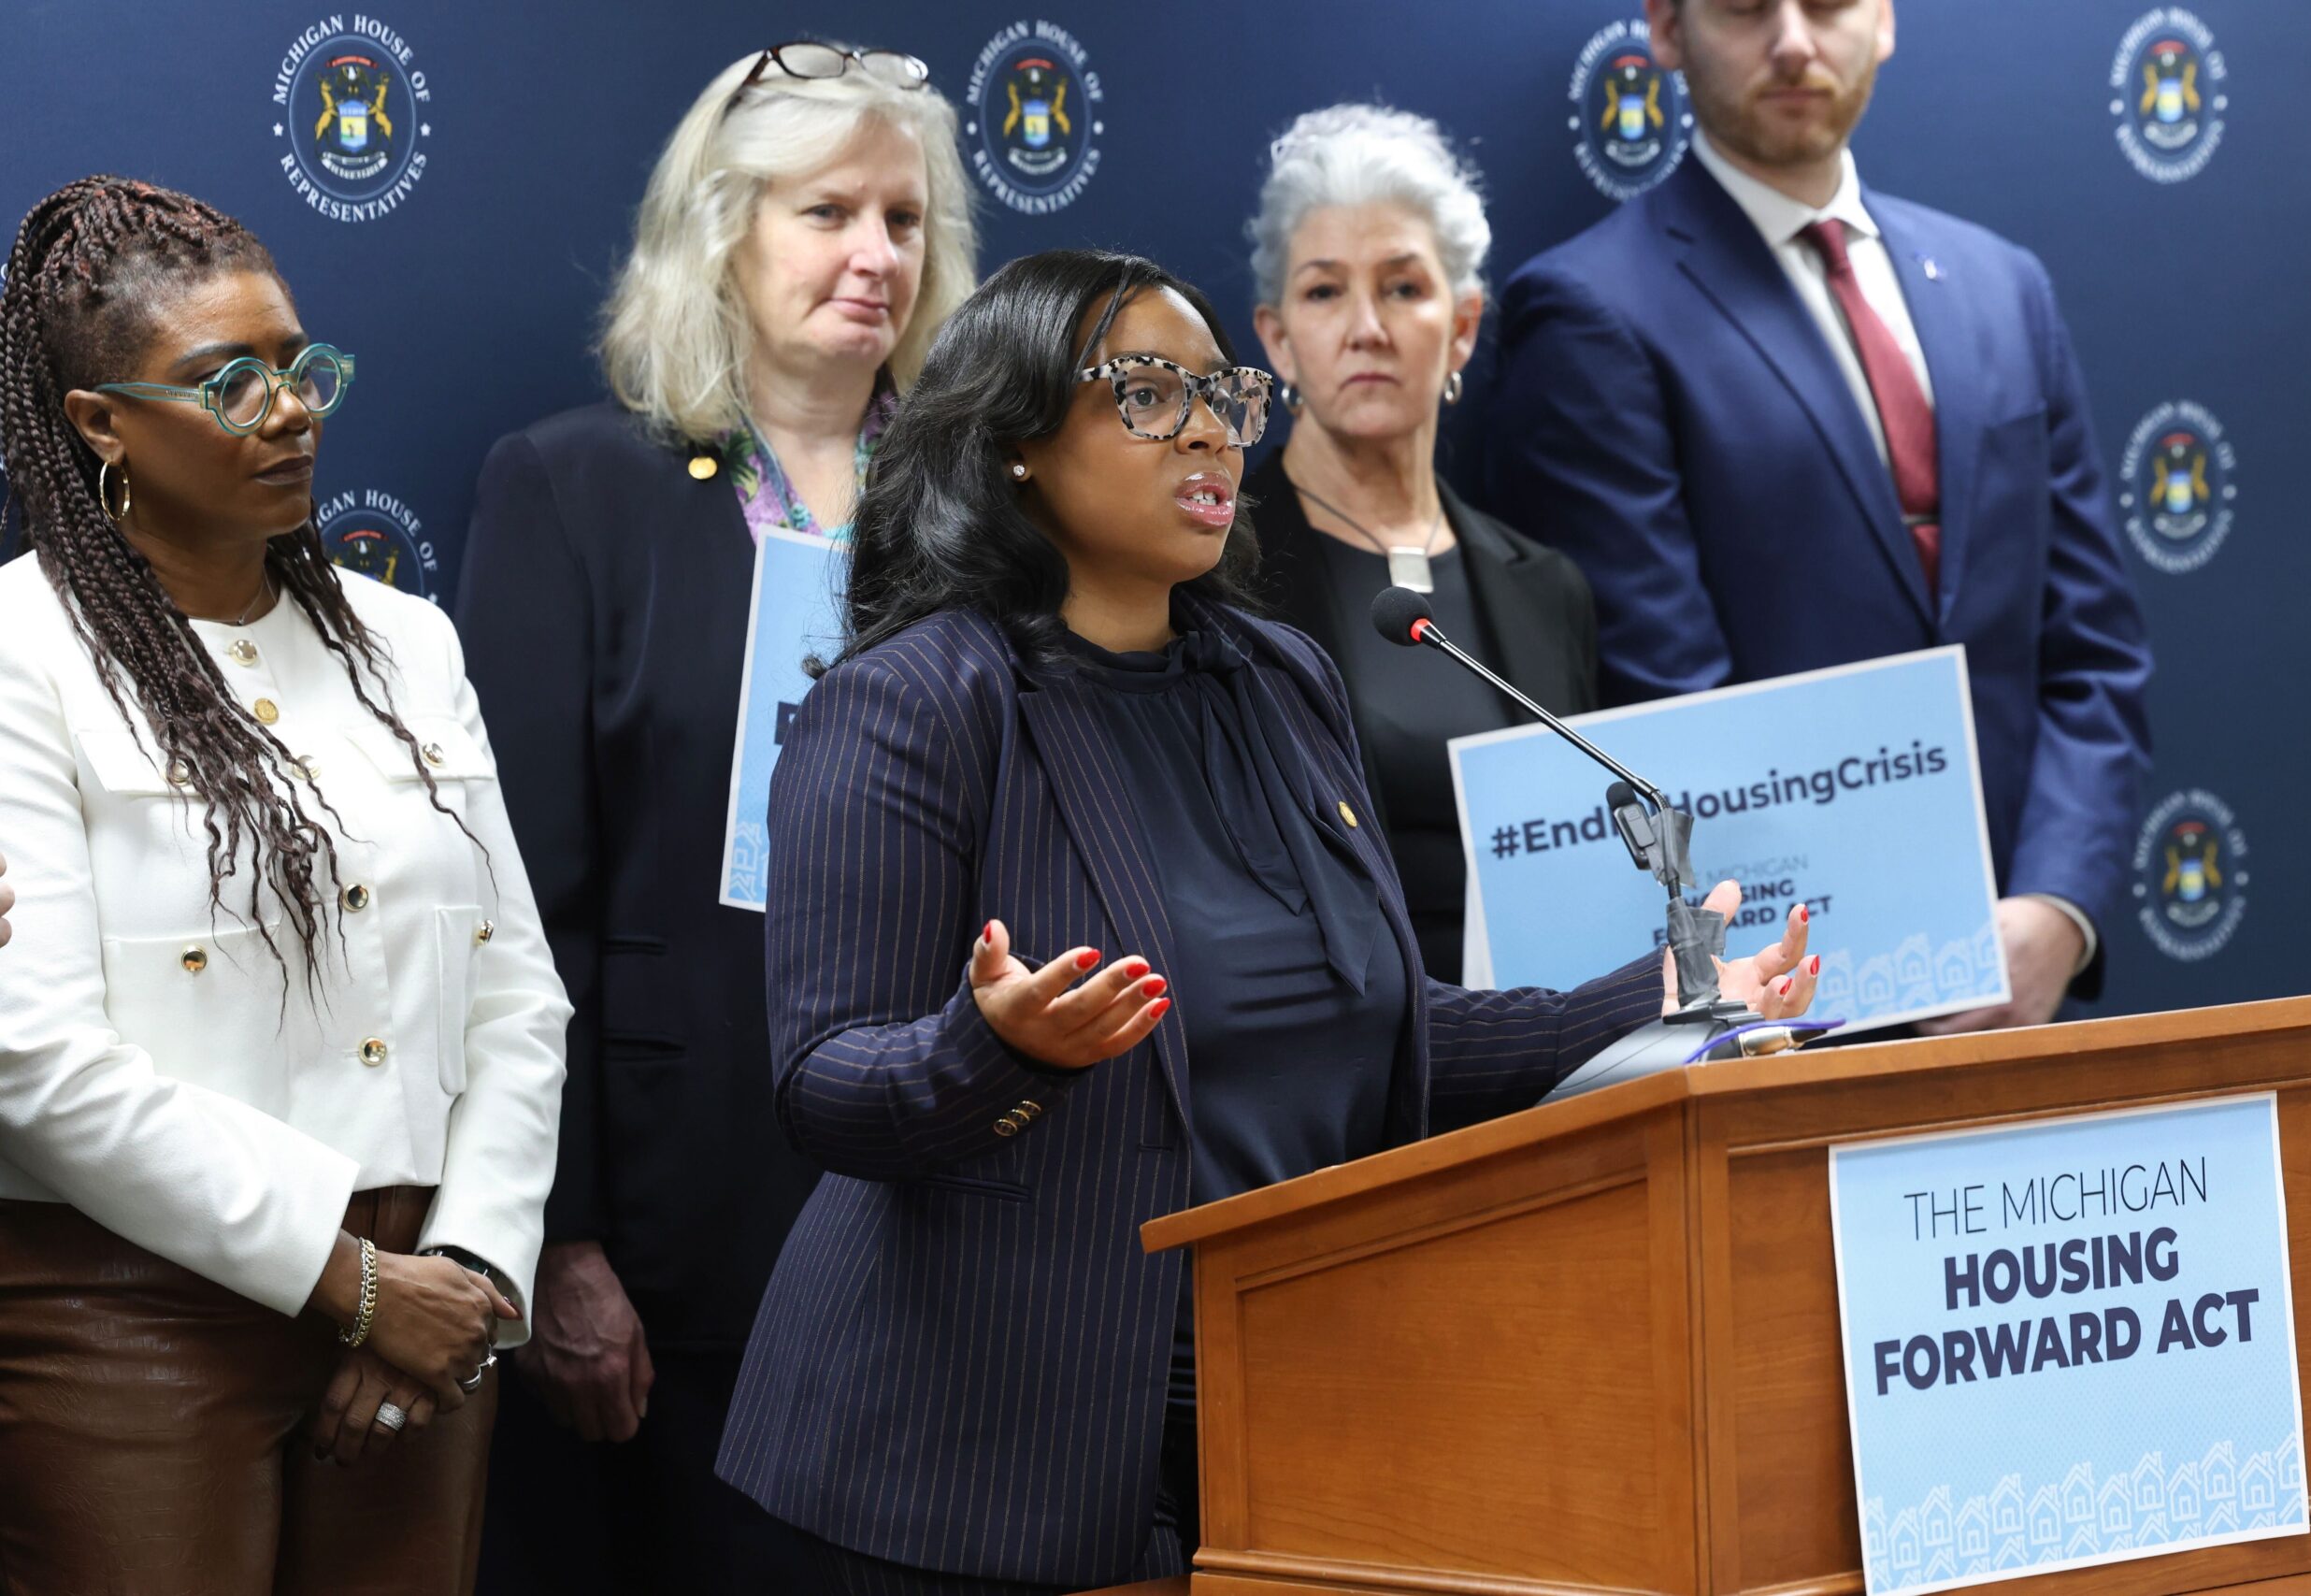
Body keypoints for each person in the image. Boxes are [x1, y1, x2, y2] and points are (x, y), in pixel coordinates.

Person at [714, 249, 1819, 1593]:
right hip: (967, 1470)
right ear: (1012, 441)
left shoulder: (1279, 677)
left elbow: (1377, 1028)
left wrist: (1657, 1002)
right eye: (1144, 392)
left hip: (1289, 1419)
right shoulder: (919, 700)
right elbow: (823, 1083)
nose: (1205, 428)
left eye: (1225, 396)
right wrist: (994, 1050)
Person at [454, 38, 976, 1592]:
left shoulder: (983, 511)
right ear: (723, 233)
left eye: (904, 218)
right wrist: (560, 1238)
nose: (876, 255)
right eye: (828, 212)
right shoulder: (573, 490)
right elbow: (516, 899)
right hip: (680, 1233)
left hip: (942, 1207)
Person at [0, 176, 567, 1593]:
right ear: (99, 424)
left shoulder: (408, 642)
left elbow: (516, 995)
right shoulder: (23, 654)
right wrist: (343, 1275)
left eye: (301, 367)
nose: (292, 407)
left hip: (426, 1307)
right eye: (226, 381)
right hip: (125, 1311)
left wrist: (475, 1274)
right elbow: (32, 1054)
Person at [1484, 0, 2151, 1031]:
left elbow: (2092, 652)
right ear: (1665, 29)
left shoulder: (2003, 288)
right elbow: (1672, 708)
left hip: (2029, 991)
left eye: (1828, 4)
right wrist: (1899, 953)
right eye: (1747, 8)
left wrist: (2057, 910)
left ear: (1881, 20)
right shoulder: (1588, 313)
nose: (1793, 40)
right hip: (1793, 1014)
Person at [1244, 105, 1600, 983]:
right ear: (1278, 341)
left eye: (1403, 287)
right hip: (1335, 1082)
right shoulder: (1214, 569)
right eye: (1325, 291)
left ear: (1465, 326)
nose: (1367, 326)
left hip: (1549, 1057)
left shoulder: (1548, 586)